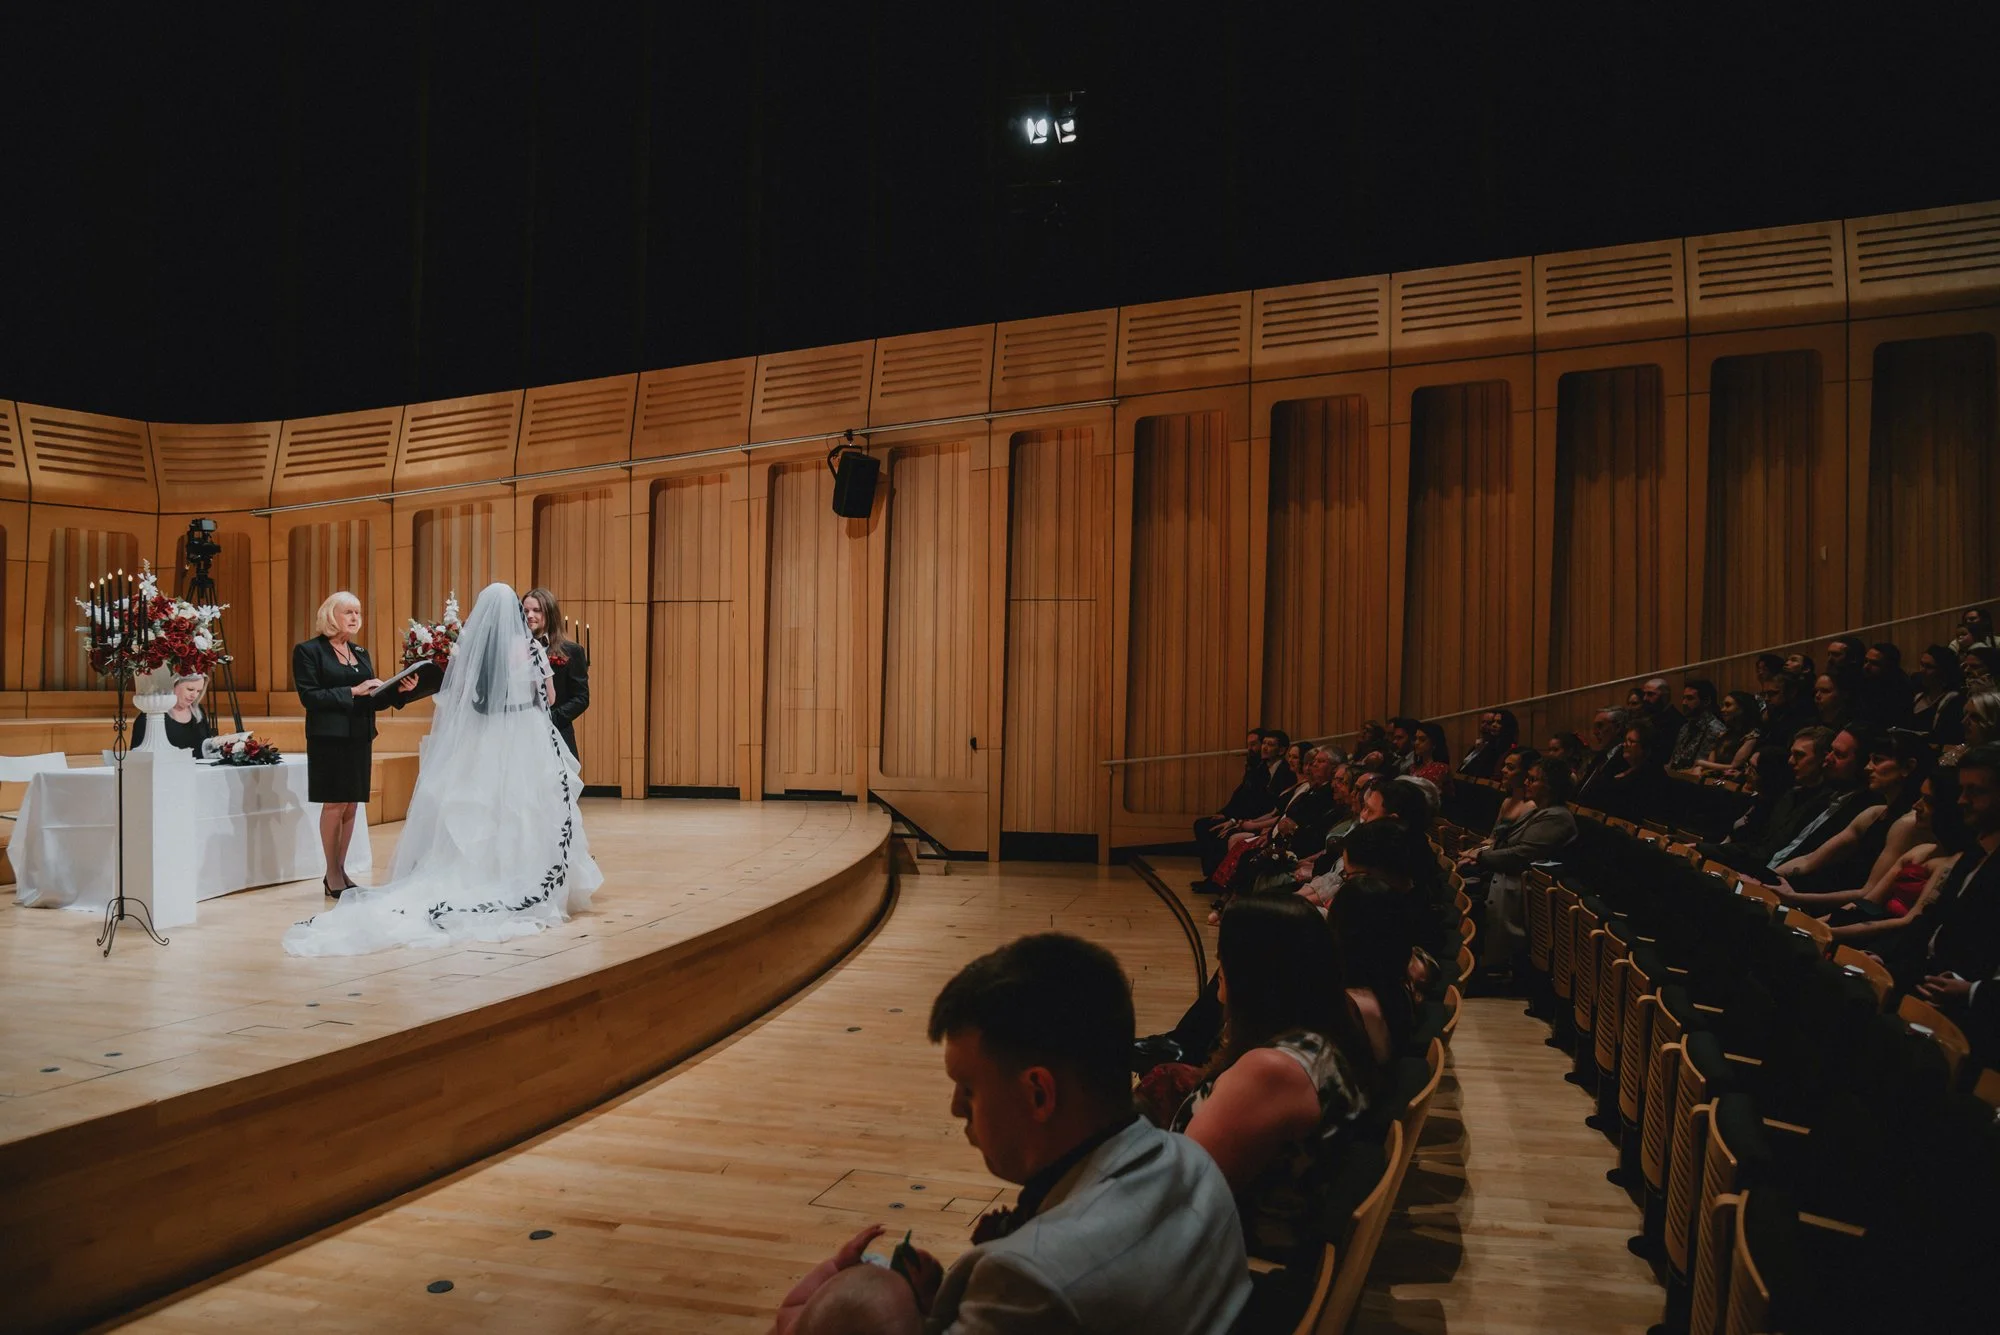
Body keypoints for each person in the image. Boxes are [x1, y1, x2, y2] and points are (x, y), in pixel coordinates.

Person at [784, 933, 1252, 1335]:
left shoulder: (1027, 1278)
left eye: (967, 1088)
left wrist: (803, 1315)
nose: (954, 1107)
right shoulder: (1192, 1162)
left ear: (1038, 1094)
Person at [284, 584, 602, 954]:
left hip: (485, 739)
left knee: (483, 805)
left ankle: (477, 870)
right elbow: (547, 698)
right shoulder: (531, 649)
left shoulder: (477, 652)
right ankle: (519, 872)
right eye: (349, 612)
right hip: (524, 735)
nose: (355, 618)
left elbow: (470, 699)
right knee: (524, 806)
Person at [1165, 897, 1370, 1264]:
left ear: (1258, 971)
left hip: (1229, 1264)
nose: (1218, 966)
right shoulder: (1320, 1034)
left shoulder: (1272, 1072)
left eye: (1224, 954)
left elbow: (1179, 1198)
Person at [293, 591, 420, 897]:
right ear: (330, 615)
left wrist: (400, 691)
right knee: (335, 804)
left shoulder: (360, 652)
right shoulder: (309, 651)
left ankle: (341, 869)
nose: (354, 618)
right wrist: (352, 691)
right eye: (348, 612)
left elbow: (372, 698)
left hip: (359, 735)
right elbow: (310, 696)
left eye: (358, 613)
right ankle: (332, 873)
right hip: (329, 738)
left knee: (351, 805)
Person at [1461, 759, 1578, 977]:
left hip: (1524, 890)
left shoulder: (1558, 817)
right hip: (1506, 879)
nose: (1526, 782)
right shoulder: (1538, 811)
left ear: (1550, 787)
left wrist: (1481, 855)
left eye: (1533, 779)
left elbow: (1520, 855)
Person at [522, 587, 590, 762]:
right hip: (520, 737)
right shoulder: (513, 650)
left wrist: (549, 719)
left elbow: (581, 698)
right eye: (526, 610)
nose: (530, 615)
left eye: (537, 610)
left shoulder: (572, 651)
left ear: (550, 613)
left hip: (557, 734)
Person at [130, 672, 218, 752]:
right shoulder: (150, 715)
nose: (194, 695)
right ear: (173, 685)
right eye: (190, 689)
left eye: (198, 691)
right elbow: (138, 758)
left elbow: (206, 747)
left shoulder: (199, 710)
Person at [1687, 690, 1761, 777]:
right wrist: (1700, 767)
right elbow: (1711, 763)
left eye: (1728, 705)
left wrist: (1701, 763)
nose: (1722, 709)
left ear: (1742, 709)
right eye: (1723, 705)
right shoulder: (1724, 734)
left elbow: (1734, 766)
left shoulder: (1751, 736)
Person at [1666, 679, 1726, 772]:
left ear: (1706, 701)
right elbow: (1674, 761)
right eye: (1684, 698)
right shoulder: (1686, 726)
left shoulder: (1715, 729)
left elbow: (1700, 767)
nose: (1684, 703)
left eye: (1690, 698)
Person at [1910, 643, 1966, 741]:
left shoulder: (1953, 701)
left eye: (1929, 667)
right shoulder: (1918, 696)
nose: (1922, 671)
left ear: (1944, 671)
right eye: (1922, 665)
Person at [1456, 709, 1518, 779]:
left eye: (1499, 722)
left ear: (1507, 726)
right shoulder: (1486, 746)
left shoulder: (1509, 750)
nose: (1494, 725)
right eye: (1493, 722)